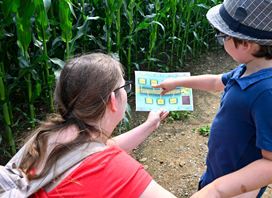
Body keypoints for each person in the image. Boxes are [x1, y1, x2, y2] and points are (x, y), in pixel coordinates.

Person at [153, 0, 272, 198]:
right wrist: (177, 82)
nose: (220, 39)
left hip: (234, 190)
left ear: (246, 44)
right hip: (221, 171)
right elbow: (215, 81)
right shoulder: (248, 69)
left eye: (222, 36)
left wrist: (218, 190)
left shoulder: (269, 93)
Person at [17, 53, 176, 198]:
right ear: (112, 100)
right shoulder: (113, 169)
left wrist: (148, 126)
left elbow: (92, 151)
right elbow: (101, 159)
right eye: (124, 86)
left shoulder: (44, 137)